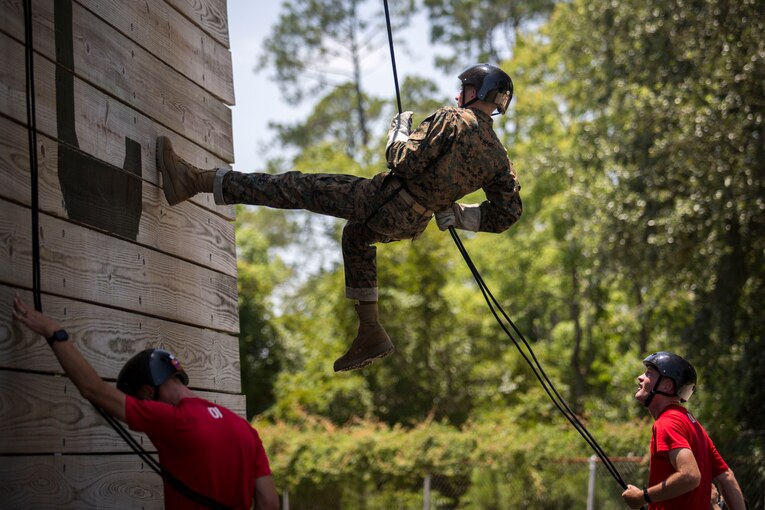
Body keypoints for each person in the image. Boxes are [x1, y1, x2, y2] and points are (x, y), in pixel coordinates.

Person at [156, 63, 523, 372]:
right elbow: (508, 212)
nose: (459, 95)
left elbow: (401, 161)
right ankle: (370, 329)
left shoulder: (453, 119)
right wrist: (460, 215)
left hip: (380, 200)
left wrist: (398, 130)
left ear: (478, 93)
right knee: (356, 238)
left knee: (294, 187)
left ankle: (194, 181)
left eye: (466, 89)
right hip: (411, 222)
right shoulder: (498, 157)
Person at [12, 295, 279, 510]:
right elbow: (268, 502)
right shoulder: (245, 430)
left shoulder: (173, 421)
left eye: (139, 400)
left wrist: (55, 332)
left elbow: (92, 388)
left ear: (147, 391)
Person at [621, 351, 747, 509]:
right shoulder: (691, 423)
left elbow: (690, 476)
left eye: (649, 374)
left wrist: (642, 497)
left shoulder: (667, 422)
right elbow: (727, 477)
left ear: (666, 385)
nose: (640, 377)